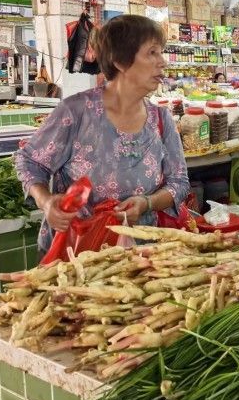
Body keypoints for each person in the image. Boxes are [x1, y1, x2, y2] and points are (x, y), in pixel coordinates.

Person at [14, 15, 190, 255]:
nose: (162, 62)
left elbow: (179, 183)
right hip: (78, 253)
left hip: (140, 257)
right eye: (152, 53)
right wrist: (46, 201)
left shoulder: (161, 119)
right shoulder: (76, 113)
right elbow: (29, 161)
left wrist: (148, 203)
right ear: (120, 61)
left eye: (161, 52)